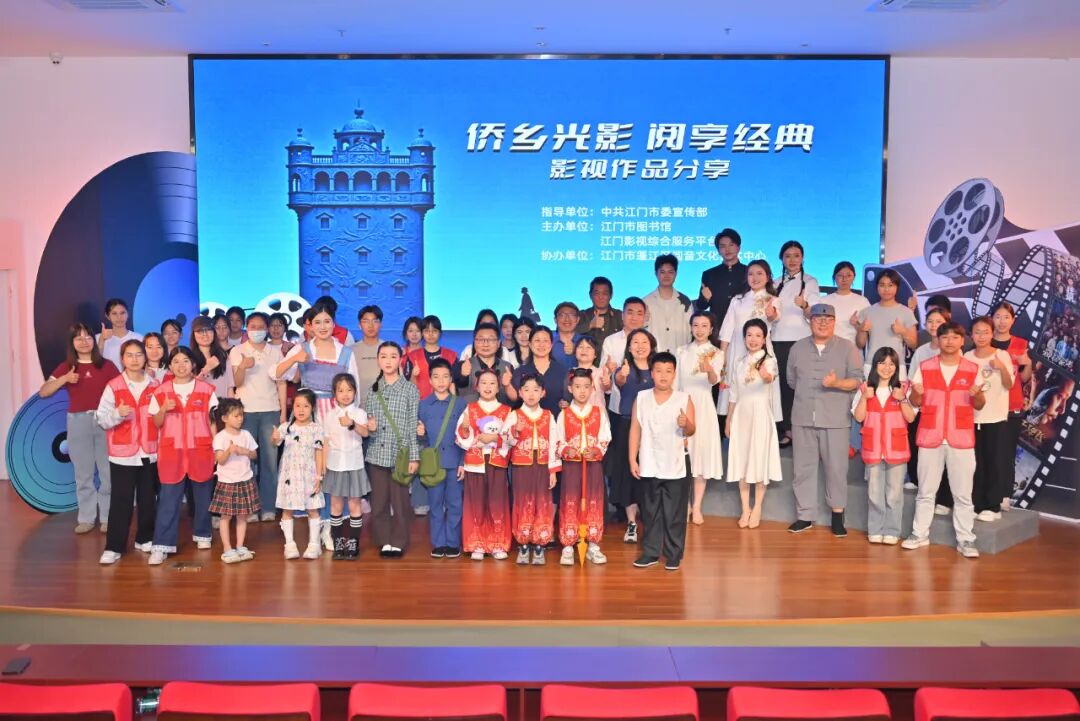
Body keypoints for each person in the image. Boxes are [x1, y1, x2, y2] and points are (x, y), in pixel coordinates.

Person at [904, 322, 985, 559]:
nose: (949, 341)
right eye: (945, 337)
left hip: (961, 438)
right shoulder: (925, 366)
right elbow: (915, 401)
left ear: (962, 340)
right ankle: (919, 534)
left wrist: (977, 395)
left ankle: (966, 539)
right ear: (938, 340)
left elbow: (980, 404)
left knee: (963, 495)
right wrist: (916, 393)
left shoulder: (972, 369)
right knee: (925, 492)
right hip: (931, 436)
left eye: (955, 337)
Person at [786, 303, 864, 537]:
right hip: (803, 417)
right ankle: (804, 516)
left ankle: (837, 516)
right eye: (817, 319)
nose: (822, 323)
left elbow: (857, 381)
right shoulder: (797, 348)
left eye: (828, 319)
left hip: (836, 419)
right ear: (810, 321)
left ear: (834, 322)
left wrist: (837, 383)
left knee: (837, 469)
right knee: (802, 469)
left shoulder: (848, 348)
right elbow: (791, 380)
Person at [40, 322, 120, 534]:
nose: (84, 341)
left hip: (104, 421)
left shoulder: (107, 365)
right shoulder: (66, 367)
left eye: (88, 337)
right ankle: (86, 518)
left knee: (108, 473)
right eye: (79, 338)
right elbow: (44, 392)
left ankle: (108, 517)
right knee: (83, 474)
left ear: (94, 340)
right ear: (72, 343)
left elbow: (121, 391)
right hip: (77, 422)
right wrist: (65, 379)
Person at [147, 346, 218, 565]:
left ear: (193, 364)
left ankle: (203, 534)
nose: (181, 365)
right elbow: (156, 422)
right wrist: (163, 410)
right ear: (169, 365)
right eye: (176, 361)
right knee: (168, 499)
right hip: (172, 452)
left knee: (203, 496)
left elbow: (213, 422)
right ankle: (161, 545)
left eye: (185, 361)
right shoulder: (161, 391)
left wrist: (216, 448)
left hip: (200, 449)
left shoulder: (206, 390)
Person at [629, 351, 696, 571]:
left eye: (668, 371)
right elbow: (635, 429)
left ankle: (673, 554)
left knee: (675, 513)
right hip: (649, 462)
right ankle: (650, 553)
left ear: (674, 374)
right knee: (650, 512)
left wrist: (685, 423)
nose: (663, 375)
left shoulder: (684, 399)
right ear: (652, 373)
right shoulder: (641, 398)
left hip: (676, 463)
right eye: (658, 371)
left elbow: (692, 430)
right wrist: (632, 458)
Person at [95, 338, 158, 564]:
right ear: (122, 359)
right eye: (129, 355)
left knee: (148, 499)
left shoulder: (155, 385)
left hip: (150, 451)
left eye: (138, 355)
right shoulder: (114, 386)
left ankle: (145, 538)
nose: (134, 359)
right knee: (121, 501)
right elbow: (101, 419)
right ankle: (114, 547)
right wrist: (117, 414)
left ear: (145, 358)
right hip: (122, 454)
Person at [364, 341, 420, 558]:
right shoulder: (373, 390)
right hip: (376, 453)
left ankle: (398, 541)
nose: (388, 361)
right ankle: (384, 540)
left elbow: (412, 424)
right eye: (384, 356)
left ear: (400, 359)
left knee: (400, 502)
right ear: (378, 360)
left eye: (393, 356)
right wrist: (370, 427)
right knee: (378, 502)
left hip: (401, 454)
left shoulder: (410, 389)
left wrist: (414, 457)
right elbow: (369, 424)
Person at [853, 347, 914, 545]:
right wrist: (865, 397)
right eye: (882, 363)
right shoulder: (865, 388)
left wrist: (902, 399)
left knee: (894, 494)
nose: (887, 367)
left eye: (891, 363)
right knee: (874, 493)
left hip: (896, 448)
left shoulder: (903, 388)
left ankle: (892, 531)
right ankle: (875, 529)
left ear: (896, 367)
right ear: (875, 365)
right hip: (873, 448)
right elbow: (859, 417)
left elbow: (911, 417)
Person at [229, 311, 286, 522]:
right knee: (246, 461)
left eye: (261, 326)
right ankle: (250, 508)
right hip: (245, 412)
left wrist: (283, 413)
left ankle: (269, 506)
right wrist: (243, 367)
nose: (257, 330)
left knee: (270, 461)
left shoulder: (276, 352)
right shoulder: (238, 351)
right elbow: (236, 382)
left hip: (271, 410)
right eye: (252, 326)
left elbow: (281, 383)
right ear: (247, 327)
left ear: (267, 328)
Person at [725, 319, 782, 528]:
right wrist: (729, 419)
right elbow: (733, 392)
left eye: (758, 335)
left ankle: (757, 507)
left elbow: (770, 378)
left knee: (759, 459)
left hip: (760, 414)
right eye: (749, 335)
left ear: (764, 339)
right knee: (742, 460)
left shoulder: (769, 360)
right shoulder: (739, 362)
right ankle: (745, 508)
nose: (753, 339)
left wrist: (766, 376)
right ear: (744, 338)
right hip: (741, 414)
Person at [717, 259, 782, 434]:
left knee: (759, 389)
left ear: (768, 277)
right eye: (751, 274)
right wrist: (722, 355)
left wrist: (771, 314)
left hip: (761, 354)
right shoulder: (737, 300)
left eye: (760, 273)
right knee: (735, 392)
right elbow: (727, 329)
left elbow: (775, 319)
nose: (755, 277)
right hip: (737, 350)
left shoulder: (773, 300)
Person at [455, 367, 513, 561]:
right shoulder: (470, 409)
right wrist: (465, 429)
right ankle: (477, 543)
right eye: (484, 383)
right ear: (476, 386)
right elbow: (461, 437)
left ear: (498, 387)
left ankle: (498, 543)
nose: (488, 387)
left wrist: (495, 438)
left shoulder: (506, 411)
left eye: (492, 383)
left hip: (497, 462)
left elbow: (512, 438)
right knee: (476, 503)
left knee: (497, 503)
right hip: (475, 462)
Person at [504, 374, 562, 565]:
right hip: (521, 466)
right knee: (522, 503)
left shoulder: (548, 415)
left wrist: (553, 470)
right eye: (527, 390)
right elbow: (505, 441)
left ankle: (539, 544)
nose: (531, 394)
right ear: (520, 393)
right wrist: (516, 431)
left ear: (543, 393)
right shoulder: (514, 415)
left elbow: (554, 443)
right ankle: (523, 543)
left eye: (536, 390)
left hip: (543, 466)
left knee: (542, 503)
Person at [557, 368, 612, 565]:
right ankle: (568, 545)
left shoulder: (598, 413)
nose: (582, 391)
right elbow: (558, 440)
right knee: (570, 501)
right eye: (578, 387)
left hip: (592, 466)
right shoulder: (564, 414)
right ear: (570, 389)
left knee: (593, 502)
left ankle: (593, 544)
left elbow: (605, 437)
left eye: (586, 387)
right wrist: (567, 450)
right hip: (572, 467)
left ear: (592, 389)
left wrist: (596, 450)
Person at [675, 311, 725, 525]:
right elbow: (676, 382)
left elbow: (714, 381)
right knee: (683, 455)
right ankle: (684, 504)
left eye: (704, 326)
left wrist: (710, 370)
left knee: (701, 455)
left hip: (704, 405)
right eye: (696, 325)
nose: (699, 329)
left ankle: (696, 506)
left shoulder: (717, 353)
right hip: (683, 404)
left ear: (711, 329)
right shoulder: (681, 351)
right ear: (691, 327)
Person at [965, 316, 1015, 522]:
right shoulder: (966, 356)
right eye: (977, 332)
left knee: (994, 461)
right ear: (971, 335)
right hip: (971, 418)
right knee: (974, 463)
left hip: (995, 418)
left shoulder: (1002, 355)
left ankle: (993, 506)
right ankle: (976, 503)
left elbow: (1009, 385)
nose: (981, 336)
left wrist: (1001, 367)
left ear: (992, 333)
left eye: (986, 332)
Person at [417, 358, 468, 559]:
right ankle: (438, 543)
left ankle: (453, 543)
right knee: (436, 505)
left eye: (445, 376)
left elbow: (467, 436)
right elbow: (420, 439)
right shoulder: (423, 405)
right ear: (430, 380)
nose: (440, 381)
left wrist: (463, 462)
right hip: (433, 464)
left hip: (455, 461)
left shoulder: (460, 404)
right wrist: (420, 434)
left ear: (451, 379)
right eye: (436, 377)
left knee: (455, 505)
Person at [611, 328, 658, 543]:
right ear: (629, 347)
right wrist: (622, 374)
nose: (640, 346)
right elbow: (619, 380)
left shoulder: (658, 369)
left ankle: (650, 521)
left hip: (653, 428)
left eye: (644, 341)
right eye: (635, 342)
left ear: (651, 345)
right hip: (628, 425)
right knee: (629, 475)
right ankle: (631, 523)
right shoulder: (624, 369)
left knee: (650, 474)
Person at [772, 241, 820, 448]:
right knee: (782, 386)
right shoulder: (774, 283)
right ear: (781, 259)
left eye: (796, 255)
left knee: (801, 385)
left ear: (803, 258)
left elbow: (815, 314)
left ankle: (803, 428)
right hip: (777, 339)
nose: (792, 260)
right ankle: (786, 429)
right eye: (788, 256)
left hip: (801, 340)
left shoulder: (810, 282)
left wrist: (805, 305)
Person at [599, 296, 648, 496]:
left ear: (645, 317)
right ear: (622, 315)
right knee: (620, 458)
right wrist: (611, 372)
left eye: (639, 313)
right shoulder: (611, 341)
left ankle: (644, 501)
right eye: (630, 312)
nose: (634, 317)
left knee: (645, 456)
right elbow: (604, 379)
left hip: (647, 412)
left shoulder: (651, 340)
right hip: (620, 408)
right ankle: (622, 503)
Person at [273, 389, 326, 560]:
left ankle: (314, 544)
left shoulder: (316, 428)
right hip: (289, 477)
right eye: (297, 406)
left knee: (313, 508)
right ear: (293, 407)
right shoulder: (286, 427)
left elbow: (319, 452)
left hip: (309, 475)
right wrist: (274, 437)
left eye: (306, 406)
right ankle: (289, 544)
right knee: (287, 509)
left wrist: (319, 476)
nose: (301, 410)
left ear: (313, 408)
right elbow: (275, 441)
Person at [322, 373, 371, 560]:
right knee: (335, 505)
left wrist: (351, 423)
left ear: (355, 392)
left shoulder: (359, 413)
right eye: (340, 390)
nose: (345, 394)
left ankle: (353, 545)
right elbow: (326, 442)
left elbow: (365, 433)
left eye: (349, 390)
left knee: (354, 504)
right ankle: (338, 544)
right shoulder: (329, 415)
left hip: (354, 464)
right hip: (334, 465)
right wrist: (323, 467)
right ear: (334, 393)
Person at [990, 300, 1032, 511]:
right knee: (988, 451)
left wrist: (1028, 363)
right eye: (998, 317)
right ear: (991, 319)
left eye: (1006, 317)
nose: (1002, 321)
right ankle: (986, 492)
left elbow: (1024, 378)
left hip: (1011, 405)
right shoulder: (984, 342)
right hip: (986, 406)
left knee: (1006, 452)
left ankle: (1005, 494)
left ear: (1013, 320)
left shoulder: (1021, 344)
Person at [210, 398, 260, 563]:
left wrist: (244, 451)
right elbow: (220, 460)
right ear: (224, 418)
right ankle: (227, 548)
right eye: (236, 416)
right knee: (226, 516)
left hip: (245, 479)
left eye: (241, 415)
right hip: (227, 481)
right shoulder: (220, 437)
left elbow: (254, 454)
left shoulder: (246, 435)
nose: (240, 419)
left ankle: (240, 546)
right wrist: (229, 451)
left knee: (242, 515)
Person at [906, 307, 949, 496]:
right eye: (930, 321)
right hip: (921, 407)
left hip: (944, 411)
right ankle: (916, 479)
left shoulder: (952, 350)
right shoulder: (921, 351)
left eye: (938, 321)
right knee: (917, 443)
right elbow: (912, 380)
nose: (934, 325)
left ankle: (942, 491)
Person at [855, 269, 918, 378]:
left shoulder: (906, 312)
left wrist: (903, 331)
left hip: (896, 365)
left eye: (890, 285)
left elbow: (914, 344)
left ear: (897, 287)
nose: (886, 289)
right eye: (882, 285)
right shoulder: (867, 312)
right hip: (872, 365)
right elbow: (860, 344)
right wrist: (861, 329)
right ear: (877, 287)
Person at [506, 326, 567, 415]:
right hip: (527, 421)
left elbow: (569, 398)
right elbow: (515, 399)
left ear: (551, 345)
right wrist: (507, 384)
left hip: (556, 421)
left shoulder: (562, 371)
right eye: (537, 340)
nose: (541, 344)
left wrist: (567, 403)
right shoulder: (520, 372)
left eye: (545, 341)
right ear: (530, 344)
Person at [695, 228, 749, 326]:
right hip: (718, 327)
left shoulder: (749, 272)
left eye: (731, 245)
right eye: (722, 246)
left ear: (738, 248)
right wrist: (705, 298)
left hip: (744, 326)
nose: (727, 249)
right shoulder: (709, 274)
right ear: (718, 251)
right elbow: (701, 306)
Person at [452, 323, 514, 404]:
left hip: (502, 412)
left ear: (498, 343)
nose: (485, 344)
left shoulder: (508, 367)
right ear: (474, 343)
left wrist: (508, 386)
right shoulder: (461, 366)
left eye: (491, 340)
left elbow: (516, 399)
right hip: (468, 411)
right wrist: (463, 375)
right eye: (481, 340)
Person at [644, 254, 694, 353]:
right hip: (655, 357)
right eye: (662, 272)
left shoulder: (685, 301)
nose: (666, 276)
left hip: (680, 356)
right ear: (656, 273)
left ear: (676, 274)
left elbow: (692, 330)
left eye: (670, 272)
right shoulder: (646, 302)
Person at [404, 314, 458, 399]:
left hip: (446, 404)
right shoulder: (412, 357)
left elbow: (453, 384)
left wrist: (454, 403)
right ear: (422, 333)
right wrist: (413, 376)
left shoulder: (451, 355)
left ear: (440, 333)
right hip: (420, 404)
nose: (430, 334)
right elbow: (407, 386)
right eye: (427, 331)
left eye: (434, 331)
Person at [822, 262, 870, 346]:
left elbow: (867, 332)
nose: (844, 279)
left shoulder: (862, 301)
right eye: (840, 275)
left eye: (848, 275)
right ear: (834, 277)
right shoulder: (824, 301)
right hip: (829, 349)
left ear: (854, 277)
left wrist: (857, 324)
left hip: (853, 350)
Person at [190, 315, 235, 401]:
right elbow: (188, 388)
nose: (205, 334)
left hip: (222, 406)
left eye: (208, 330)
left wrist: (232, 406)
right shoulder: (189, 357)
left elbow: (230, 387)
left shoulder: (223, 355)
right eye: (200, 331)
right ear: (193, 334)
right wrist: (207, 369)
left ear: (214, 332)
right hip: (200, 406)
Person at [562, 336, 608, 409]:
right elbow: (566, 396)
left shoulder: (600, 372)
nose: (584, 350)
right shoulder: (570, 372)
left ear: (595, 355)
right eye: (581, 347)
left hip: (598, 414)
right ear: (575, 352)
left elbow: (607, 388)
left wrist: (607, 383)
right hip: (576, 413)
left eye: (588, 347)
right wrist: (564, 403)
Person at [96, 298, 142, 369]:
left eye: (122, 313)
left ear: (128, 314)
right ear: (107, 316)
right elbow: (95, 363)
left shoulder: (139, 338)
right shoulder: (98, 338)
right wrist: (102, 340)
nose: (119, 317)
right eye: (114, 313)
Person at [576, 276, 622, 346]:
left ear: (611, 295)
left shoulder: (620, 316)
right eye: (597, 293)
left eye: (605, 293)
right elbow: (566, 333)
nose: (600, 297)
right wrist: (590, 325)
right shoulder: (581, 315)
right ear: (590, 295)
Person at [354, 305, 385, 391]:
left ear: (381, 324)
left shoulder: (389, 349)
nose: (370, 325)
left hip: (383, 399)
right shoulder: (350, 351)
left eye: (375, 321)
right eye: (366, 321)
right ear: (359, 325)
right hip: (358, 399)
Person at [552, 301, 581, 370]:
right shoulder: (547, 339)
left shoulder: (586, 341)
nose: (567, 319)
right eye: (562, 315)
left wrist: (578, 350)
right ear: (555, 320)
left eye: (571, 315)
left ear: (577, 319)